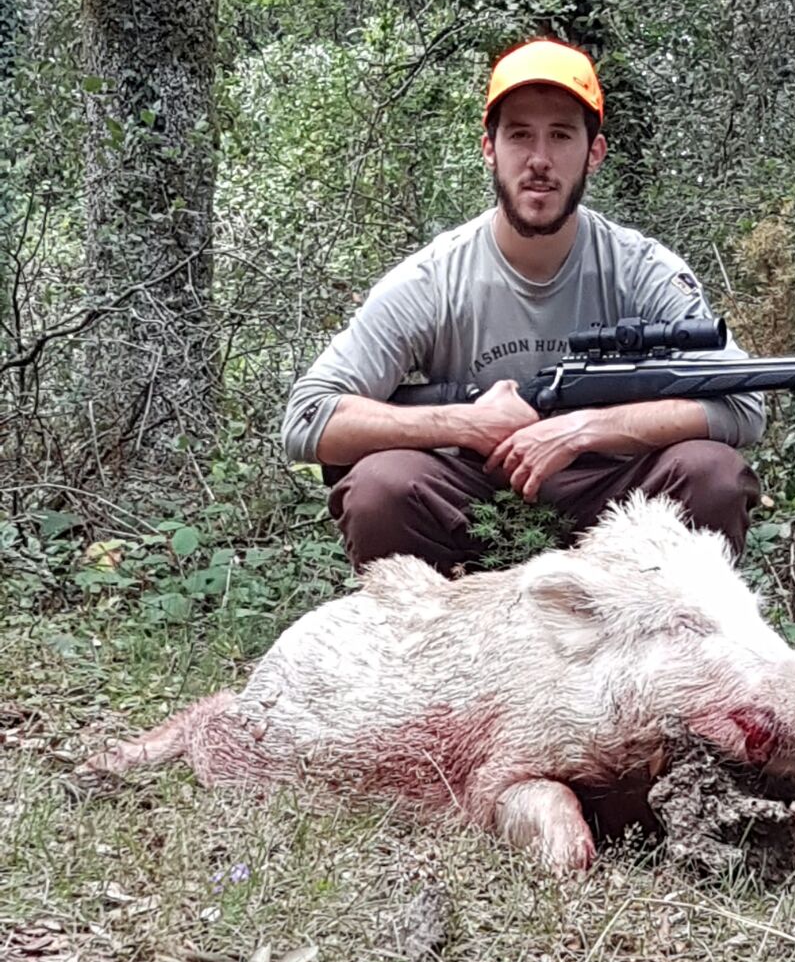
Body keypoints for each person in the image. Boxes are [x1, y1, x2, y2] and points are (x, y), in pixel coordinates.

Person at [283, 38, 765, 576]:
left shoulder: (641, 269)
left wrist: (582, 429)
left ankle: (670, 656)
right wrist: (466, 424)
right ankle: (427, 652)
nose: (539, 160)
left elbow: (743, 404)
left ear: (594, 152)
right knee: (380, 488)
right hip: (472, 499)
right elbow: (308, 417)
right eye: (519, 135)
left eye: (561, 135)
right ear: (489, 148)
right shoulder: (433, 277)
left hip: (614, 500)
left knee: (711, 474)